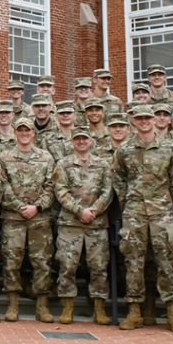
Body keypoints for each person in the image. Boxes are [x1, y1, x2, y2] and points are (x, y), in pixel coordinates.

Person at [111, 105, 173, 333]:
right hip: (134, 213)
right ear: (133, 120)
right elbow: (117, 177)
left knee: (166, 260)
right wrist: (129, 201)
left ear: (155, 120)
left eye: (147, 117)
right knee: (133, 261)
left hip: (161, 212)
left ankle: (172, 311)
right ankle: (134, 310)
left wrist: (165, 201)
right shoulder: (124, 149)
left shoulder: (169, 148)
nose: (144, 121)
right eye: (139, 118)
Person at [0, 117, 58, 323]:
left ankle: (42, 306)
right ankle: (13, 306)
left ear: (33, 133)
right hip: (13, 218)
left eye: (27, 130)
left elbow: (51, 186)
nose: (24, 133)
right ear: (14, 132)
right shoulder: (4, 157)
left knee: (42, 262)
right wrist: (19, 207)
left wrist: (37, 207)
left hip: (40, 218)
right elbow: (1, 185)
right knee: (12, 261)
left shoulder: (46, 157)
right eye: (20, 130)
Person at [52, 125, 113, 325]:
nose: (81, 142)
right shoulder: (63, 164)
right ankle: (67, 307)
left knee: (98, 267)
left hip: (97, 223)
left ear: (91, 141)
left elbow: (108, 191)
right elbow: (60, 191)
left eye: (84, 138)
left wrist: (93, 211)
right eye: (77, 138)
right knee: (67, 265)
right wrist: (80, 211)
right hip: (71, 223)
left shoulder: (102, 164)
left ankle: (99, 308)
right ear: (72, 141)